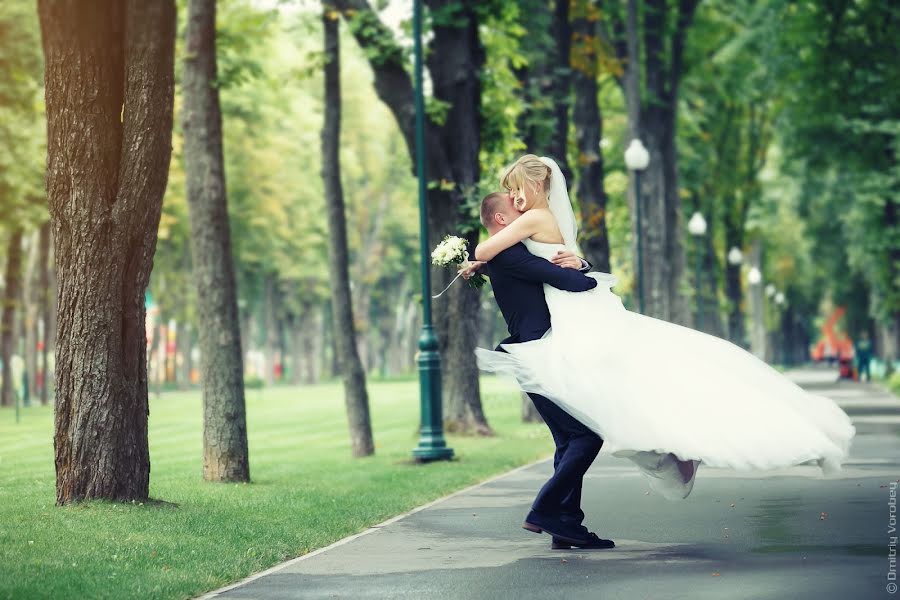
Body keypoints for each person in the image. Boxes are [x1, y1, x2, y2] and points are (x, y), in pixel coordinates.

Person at [472, 154, 856, 503]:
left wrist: (479, 260)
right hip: (568, 313)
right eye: (509, 193)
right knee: (613, 397)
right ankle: (568, 512)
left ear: (536, 185)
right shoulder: (538, 220)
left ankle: (559, 506)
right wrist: (577, 263)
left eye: (516, 189)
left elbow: (489, 249)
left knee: (602, 405)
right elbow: (540, 261)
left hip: (572, 316)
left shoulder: (533, 219)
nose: (514, 197)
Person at [461, 191, 614, 550]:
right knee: (587, 436)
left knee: (568, 439)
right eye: (516, 207)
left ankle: (566, 525)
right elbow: (575, 283)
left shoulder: (505, 254)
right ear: (502, 220)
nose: (525, 207)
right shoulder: (511, 255)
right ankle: (545, 509)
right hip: (535, 354)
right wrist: (584, 269)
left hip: (536, 353)